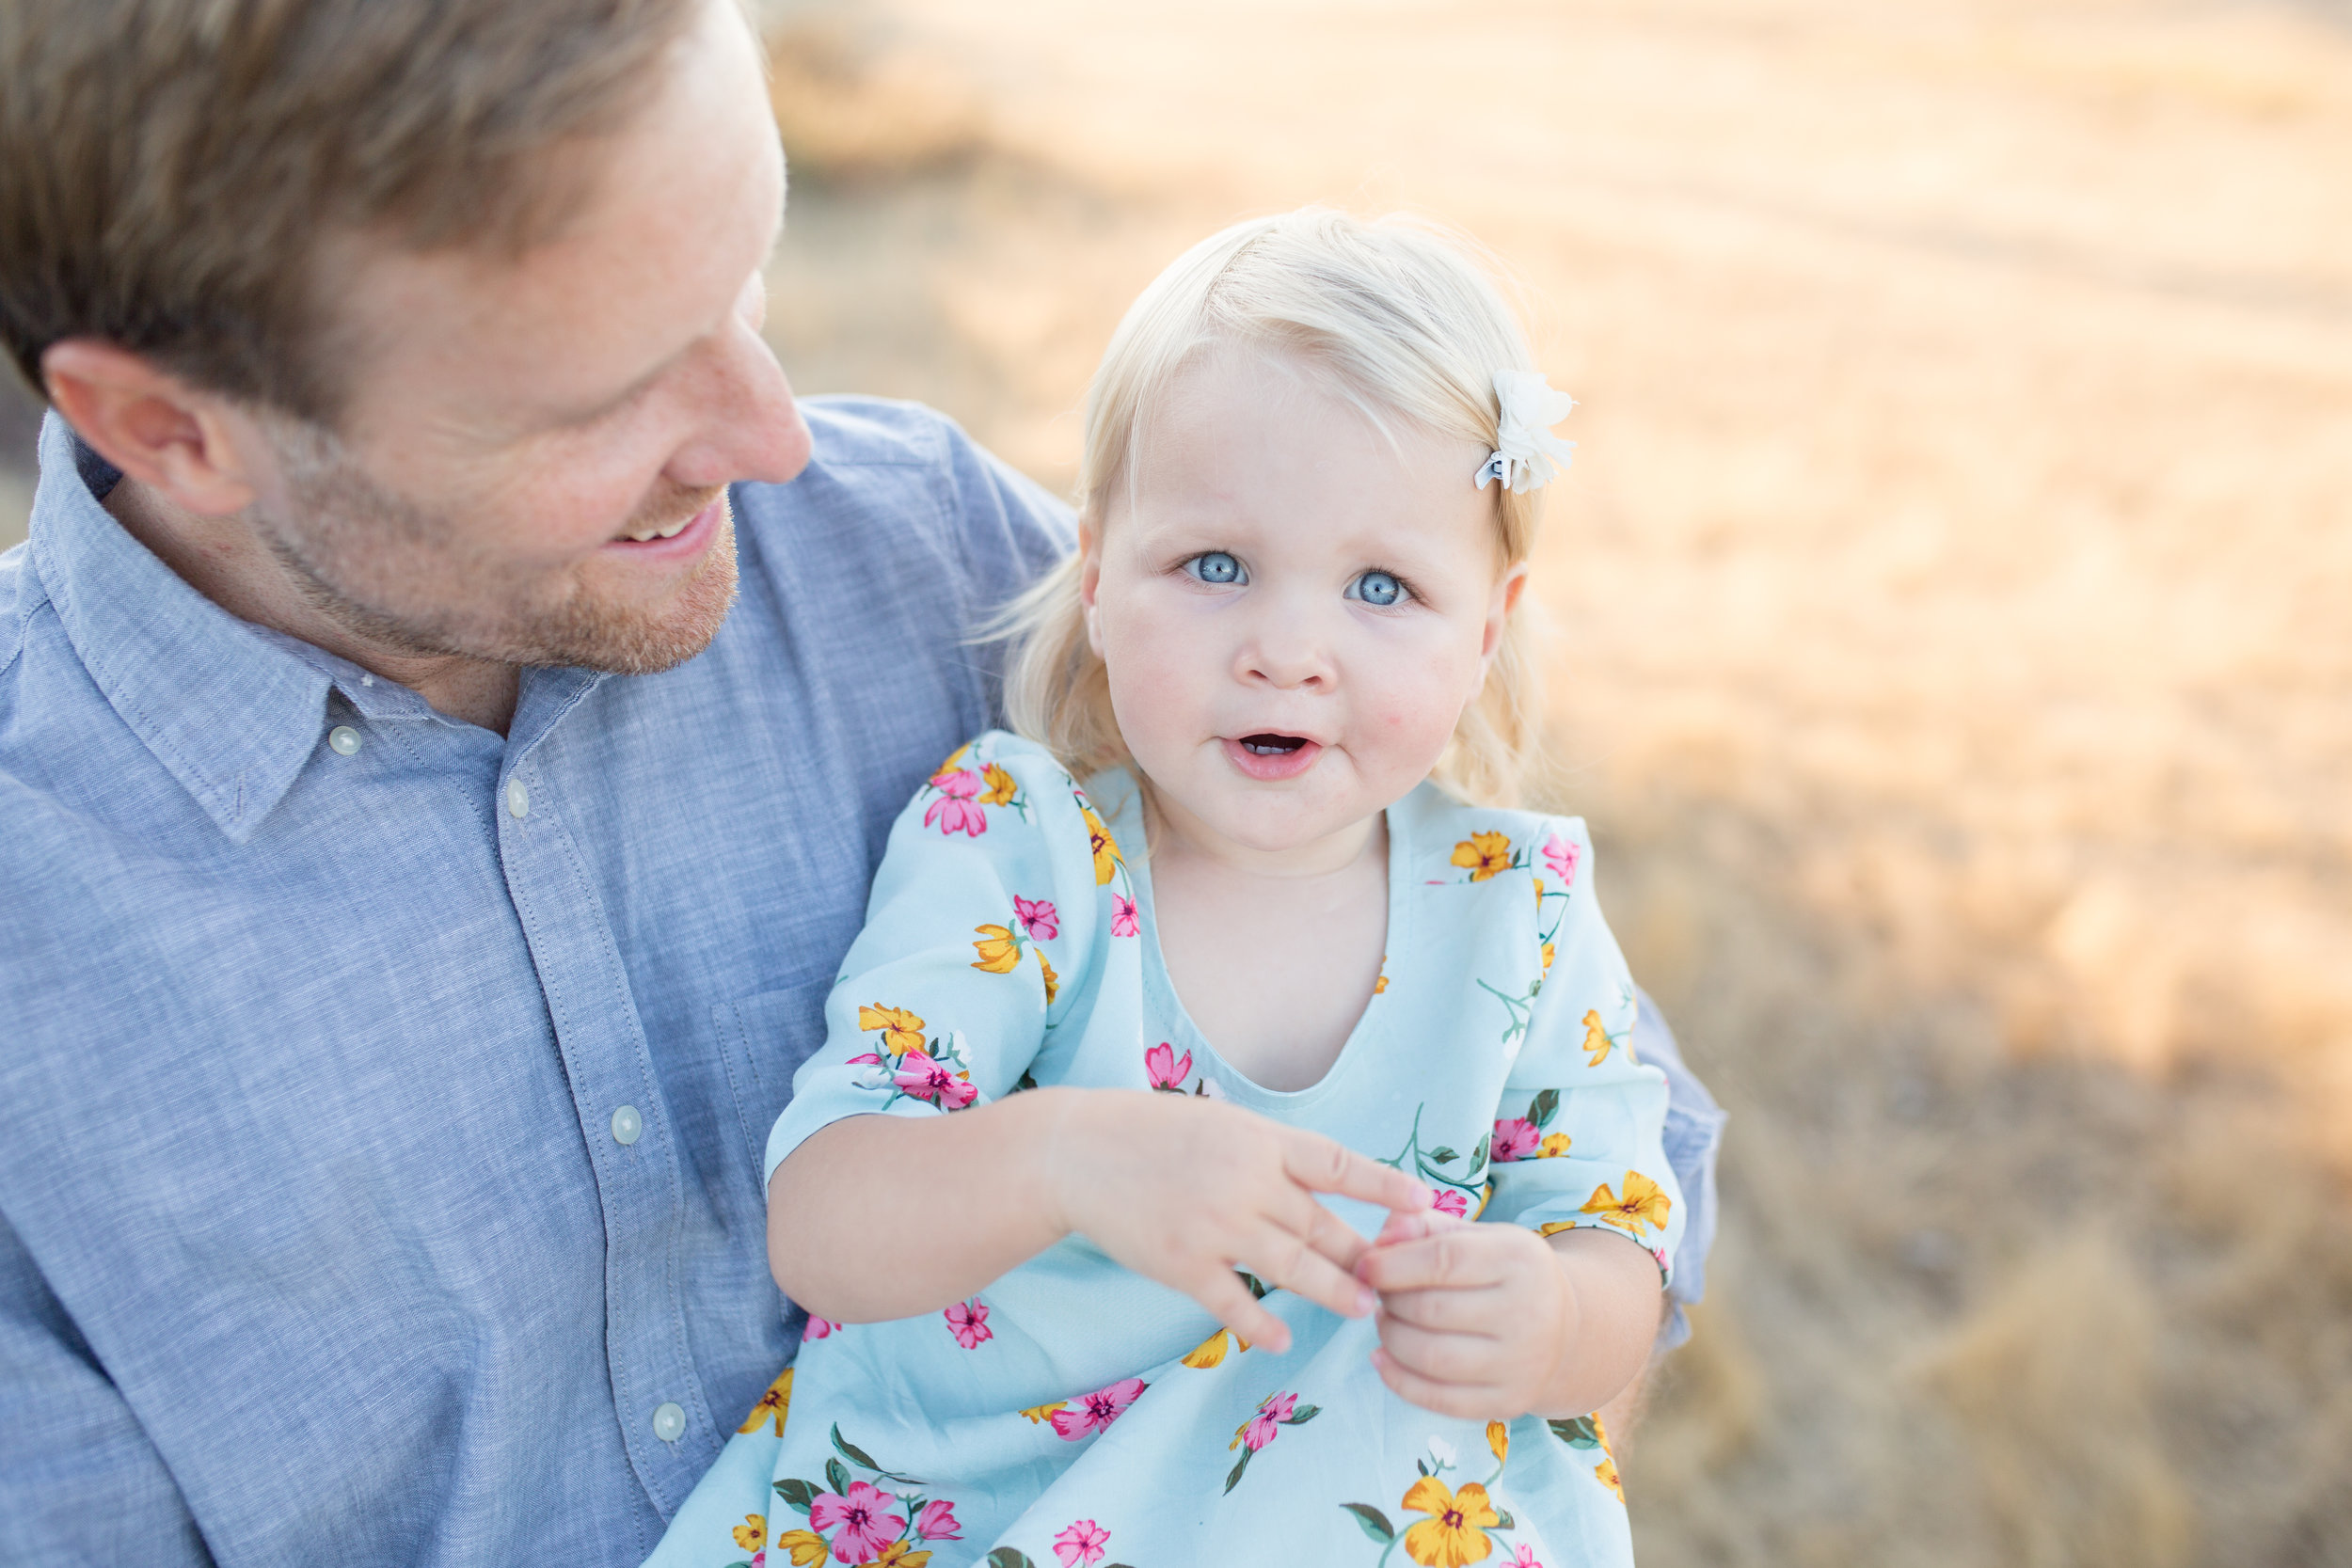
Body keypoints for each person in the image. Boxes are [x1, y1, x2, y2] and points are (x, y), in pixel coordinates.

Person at [0, 3, 1724, 1564]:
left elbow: (1613, 1145)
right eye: (606, 387)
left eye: (746, 284)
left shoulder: (925, 550)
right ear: (171, 431)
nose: (777, 437)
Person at [644, 211, 1694, 1568]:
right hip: (996, 1511)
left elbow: (1617, 1239)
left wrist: (1550, 1319)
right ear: (1095, 576)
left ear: (1485, 631)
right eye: (1216, 566)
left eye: (1383, 585)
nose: (1288, 649)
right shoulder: (1023, 854)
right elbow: (827, 1223)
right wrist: (1064, 1158)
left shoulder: (1520, 909)